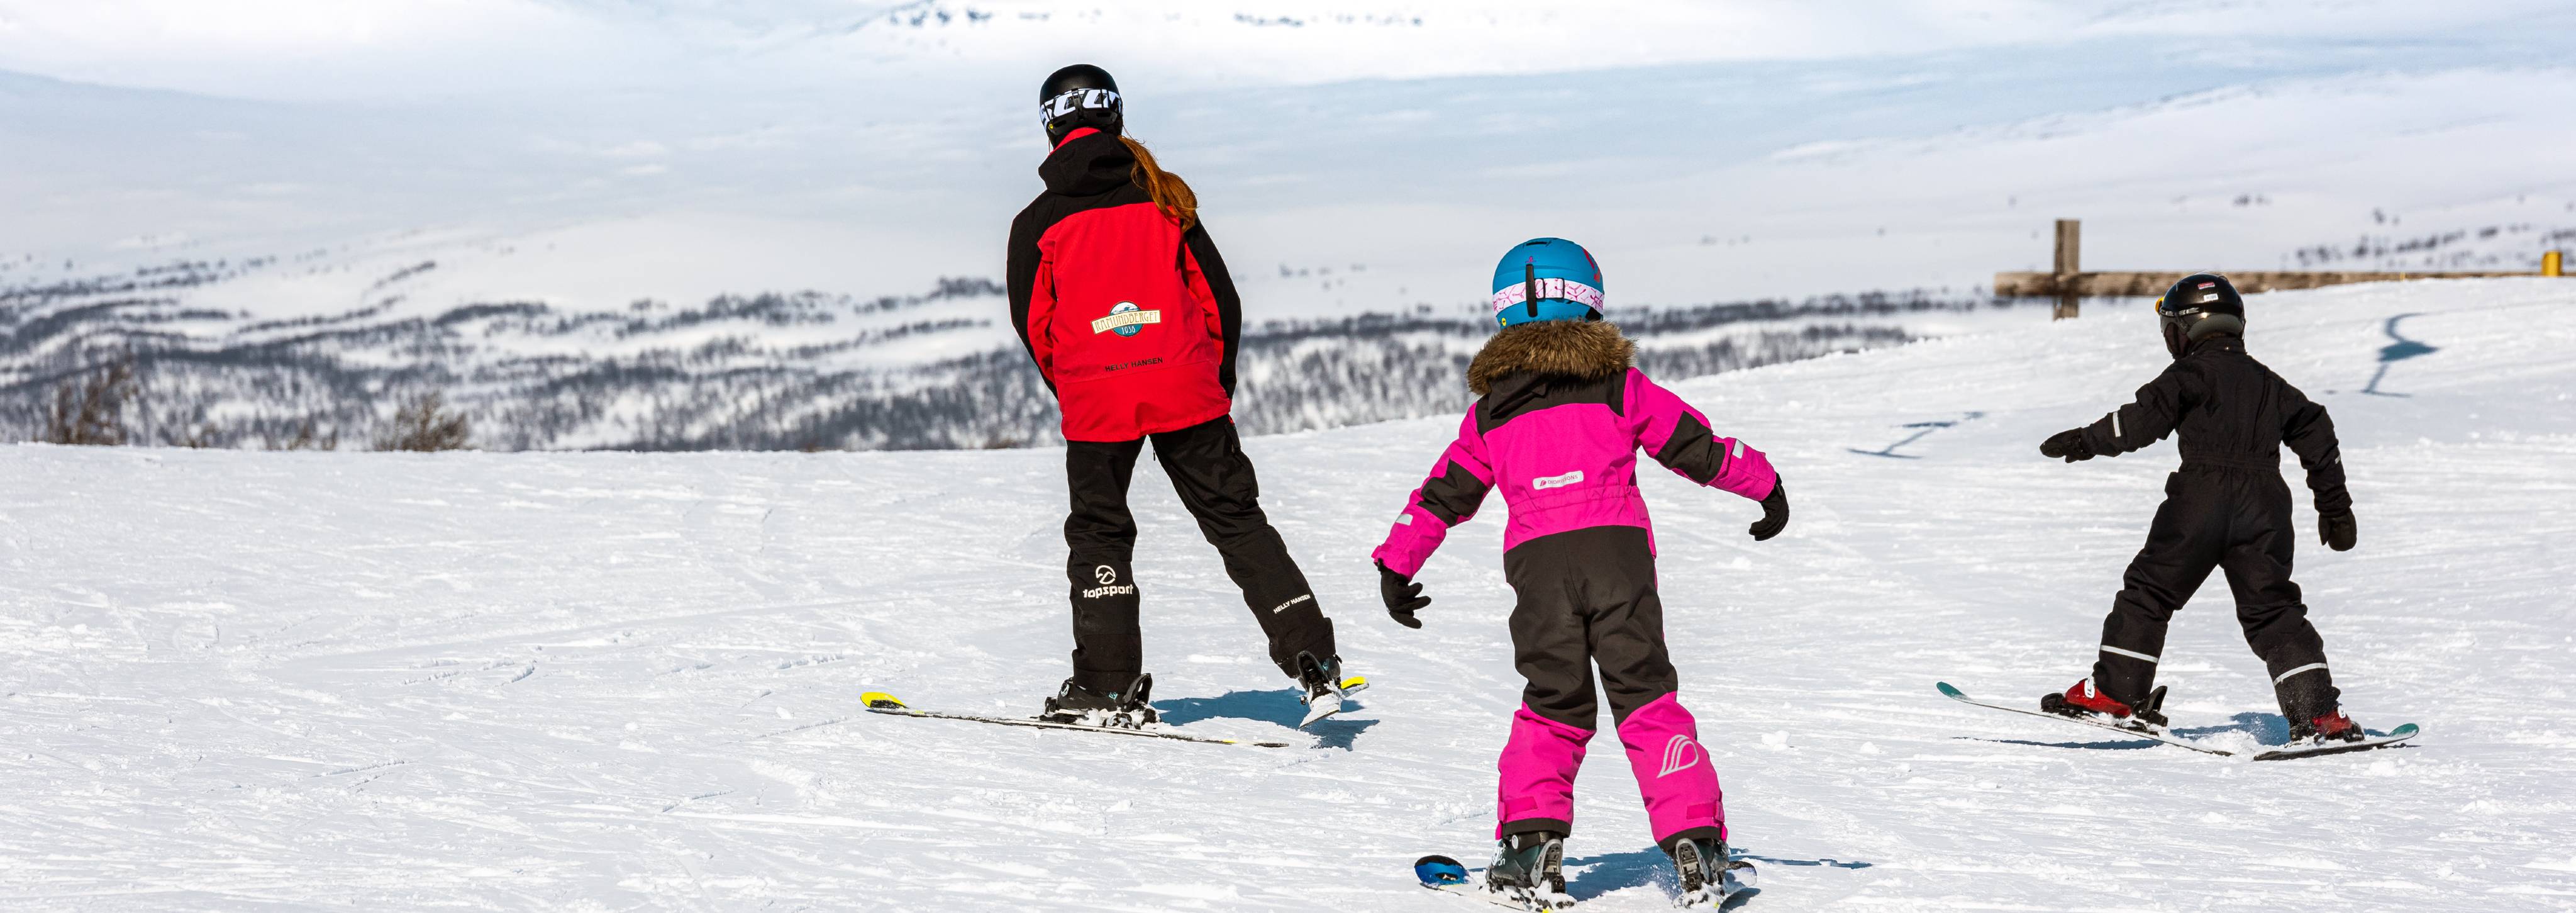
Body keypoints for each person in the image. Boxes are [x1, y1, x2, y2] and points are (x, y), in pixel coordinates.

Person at [1370, 238, 1789, 907]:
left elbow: (1440, 493)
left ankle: (1532, 845)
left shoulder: (1490, 414)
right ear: (1590, 301)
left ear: (1504, 315)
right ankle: (1696, 843)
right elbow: (1695, 445)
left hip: (1538, 569)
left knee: (1553, 702)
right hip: (1617, 558)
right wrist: (1764, 484)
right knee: (1646, 697)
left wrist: (1397, 563)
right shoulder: (1620, 386)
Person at [1005, 64, 1358, 729]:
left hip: (1097, 402)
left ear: (1050, 126)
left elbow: (1036, 325)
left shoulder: (1038, 221)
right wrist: (1209, 381)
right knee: (1235, 520)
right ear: (1115, 117)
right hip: (1184, 385)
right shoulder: (1165, 202)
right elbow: (1219, 299)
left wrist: (1078, 385)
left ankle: (1107, 688)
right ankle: (1311, 655)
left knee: (1100, 533)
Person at [2036, 272, 2365, 744]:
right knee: (2274, 611)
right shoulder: (2269, 384)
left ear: (2185, 329)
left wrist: (2087, 440)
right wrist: (2334, 506)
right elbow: (2315, 425)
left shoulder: (2189, 374)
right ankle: (2318, 716)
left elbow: (2140, 419)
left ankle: (2114, 694)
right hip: (2265, 507)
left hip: (2200, 499)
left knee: (2149, 593)